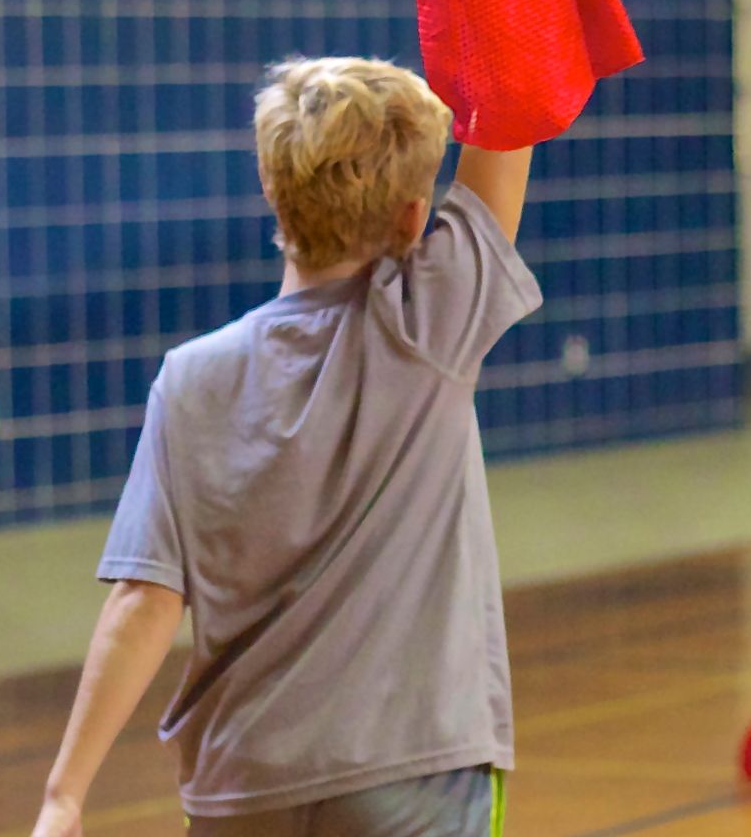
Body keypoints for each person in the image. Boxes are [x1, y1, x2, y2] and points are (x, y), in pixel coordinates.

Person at [32, 57, 539, 835]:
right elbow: (508, 110)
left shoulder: (189, 381)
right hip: (411, 775)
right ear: (412, 221)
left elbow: (144, 600)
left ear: (273, 191)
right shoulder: (428, 325)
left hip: (244, 787)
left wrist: (64, 794)